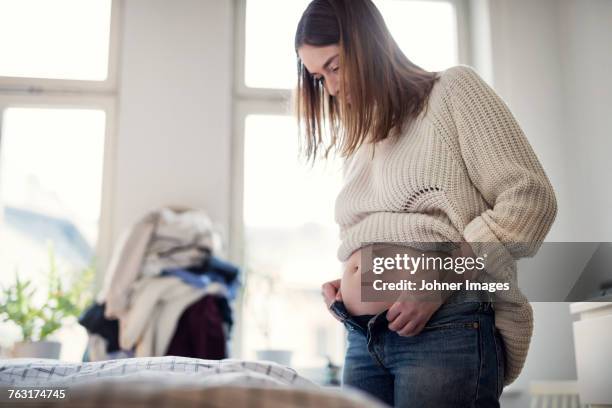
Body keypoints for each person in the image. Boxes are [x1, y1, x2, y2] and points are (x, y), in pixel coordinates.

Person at [293, 1, 558, 407]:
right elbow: (394, 229)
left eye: (334, 66)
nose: (329, 88)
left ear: (368, 46)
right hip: (362, 338)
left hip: (444, 327)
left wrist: (439, 282)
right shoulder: (361, 136)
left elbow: (530, 201)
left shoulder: (451, 91)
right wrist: (348, 280)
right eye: (317, 77)